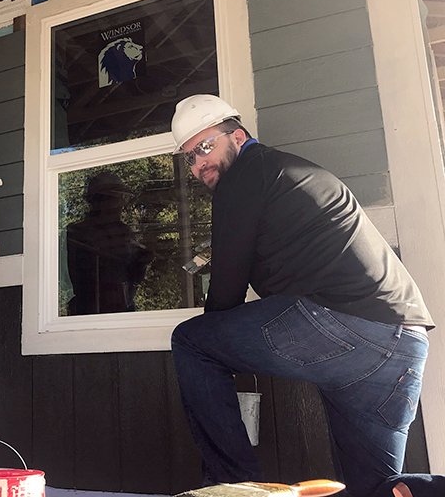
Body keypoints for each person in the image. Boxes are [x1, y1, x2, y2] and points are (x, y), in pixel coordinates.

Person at [169, 94, 434, 497]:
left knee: (192, 341)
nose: (199, 162)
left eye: (205, 147)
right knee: (377, 489)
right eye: (189, 157)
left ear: (237, 137)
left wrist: (218, 341)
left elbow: (226, 291)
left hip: (345, 323)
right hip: (404, 342)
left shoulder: (245, 175)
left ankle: (232, 487)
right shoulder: (287, 173)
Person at [66, 171, 152, 314]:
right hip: (90, 312)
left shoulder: (124, 232)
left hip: (121, 308)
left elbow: (133, 277)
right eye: (116, 198)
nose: (121, 204)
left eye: (121, 198)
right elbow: (82, 279)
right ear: (99, 202)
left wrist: (141, 261)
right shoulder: (78, 232)